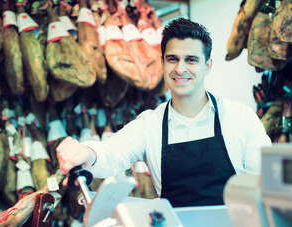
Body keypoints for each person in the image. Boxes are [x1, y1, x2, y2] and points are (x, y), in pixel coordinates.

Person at [57, 18, 272, 207]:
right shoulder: (149, 124)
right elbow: (112, 154)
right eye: (172, 59)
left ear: (207, 66)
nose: (180, 69)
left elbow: (263, 186)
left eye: (191, 60)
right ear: (163, 63)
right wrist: (87, 152)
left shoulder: (240, 118)